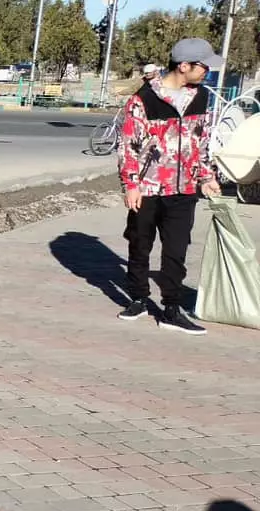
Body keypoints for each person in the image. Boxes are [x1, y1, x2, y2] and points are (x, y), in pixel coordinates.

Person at [116, 38, 224, 335]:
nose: (207, 73)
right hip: (148, 188)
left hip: (185, 189)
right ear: (185, 66)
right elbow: (128, 146)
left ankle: (172, 309)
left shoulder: (200, 97)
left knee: (176, 250)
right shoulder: (143, 99)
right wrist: (131, 185)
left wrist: (206, 176)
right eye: (204, 67)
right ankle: (138, 297)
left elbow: (200, 142)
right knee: (140, 244)